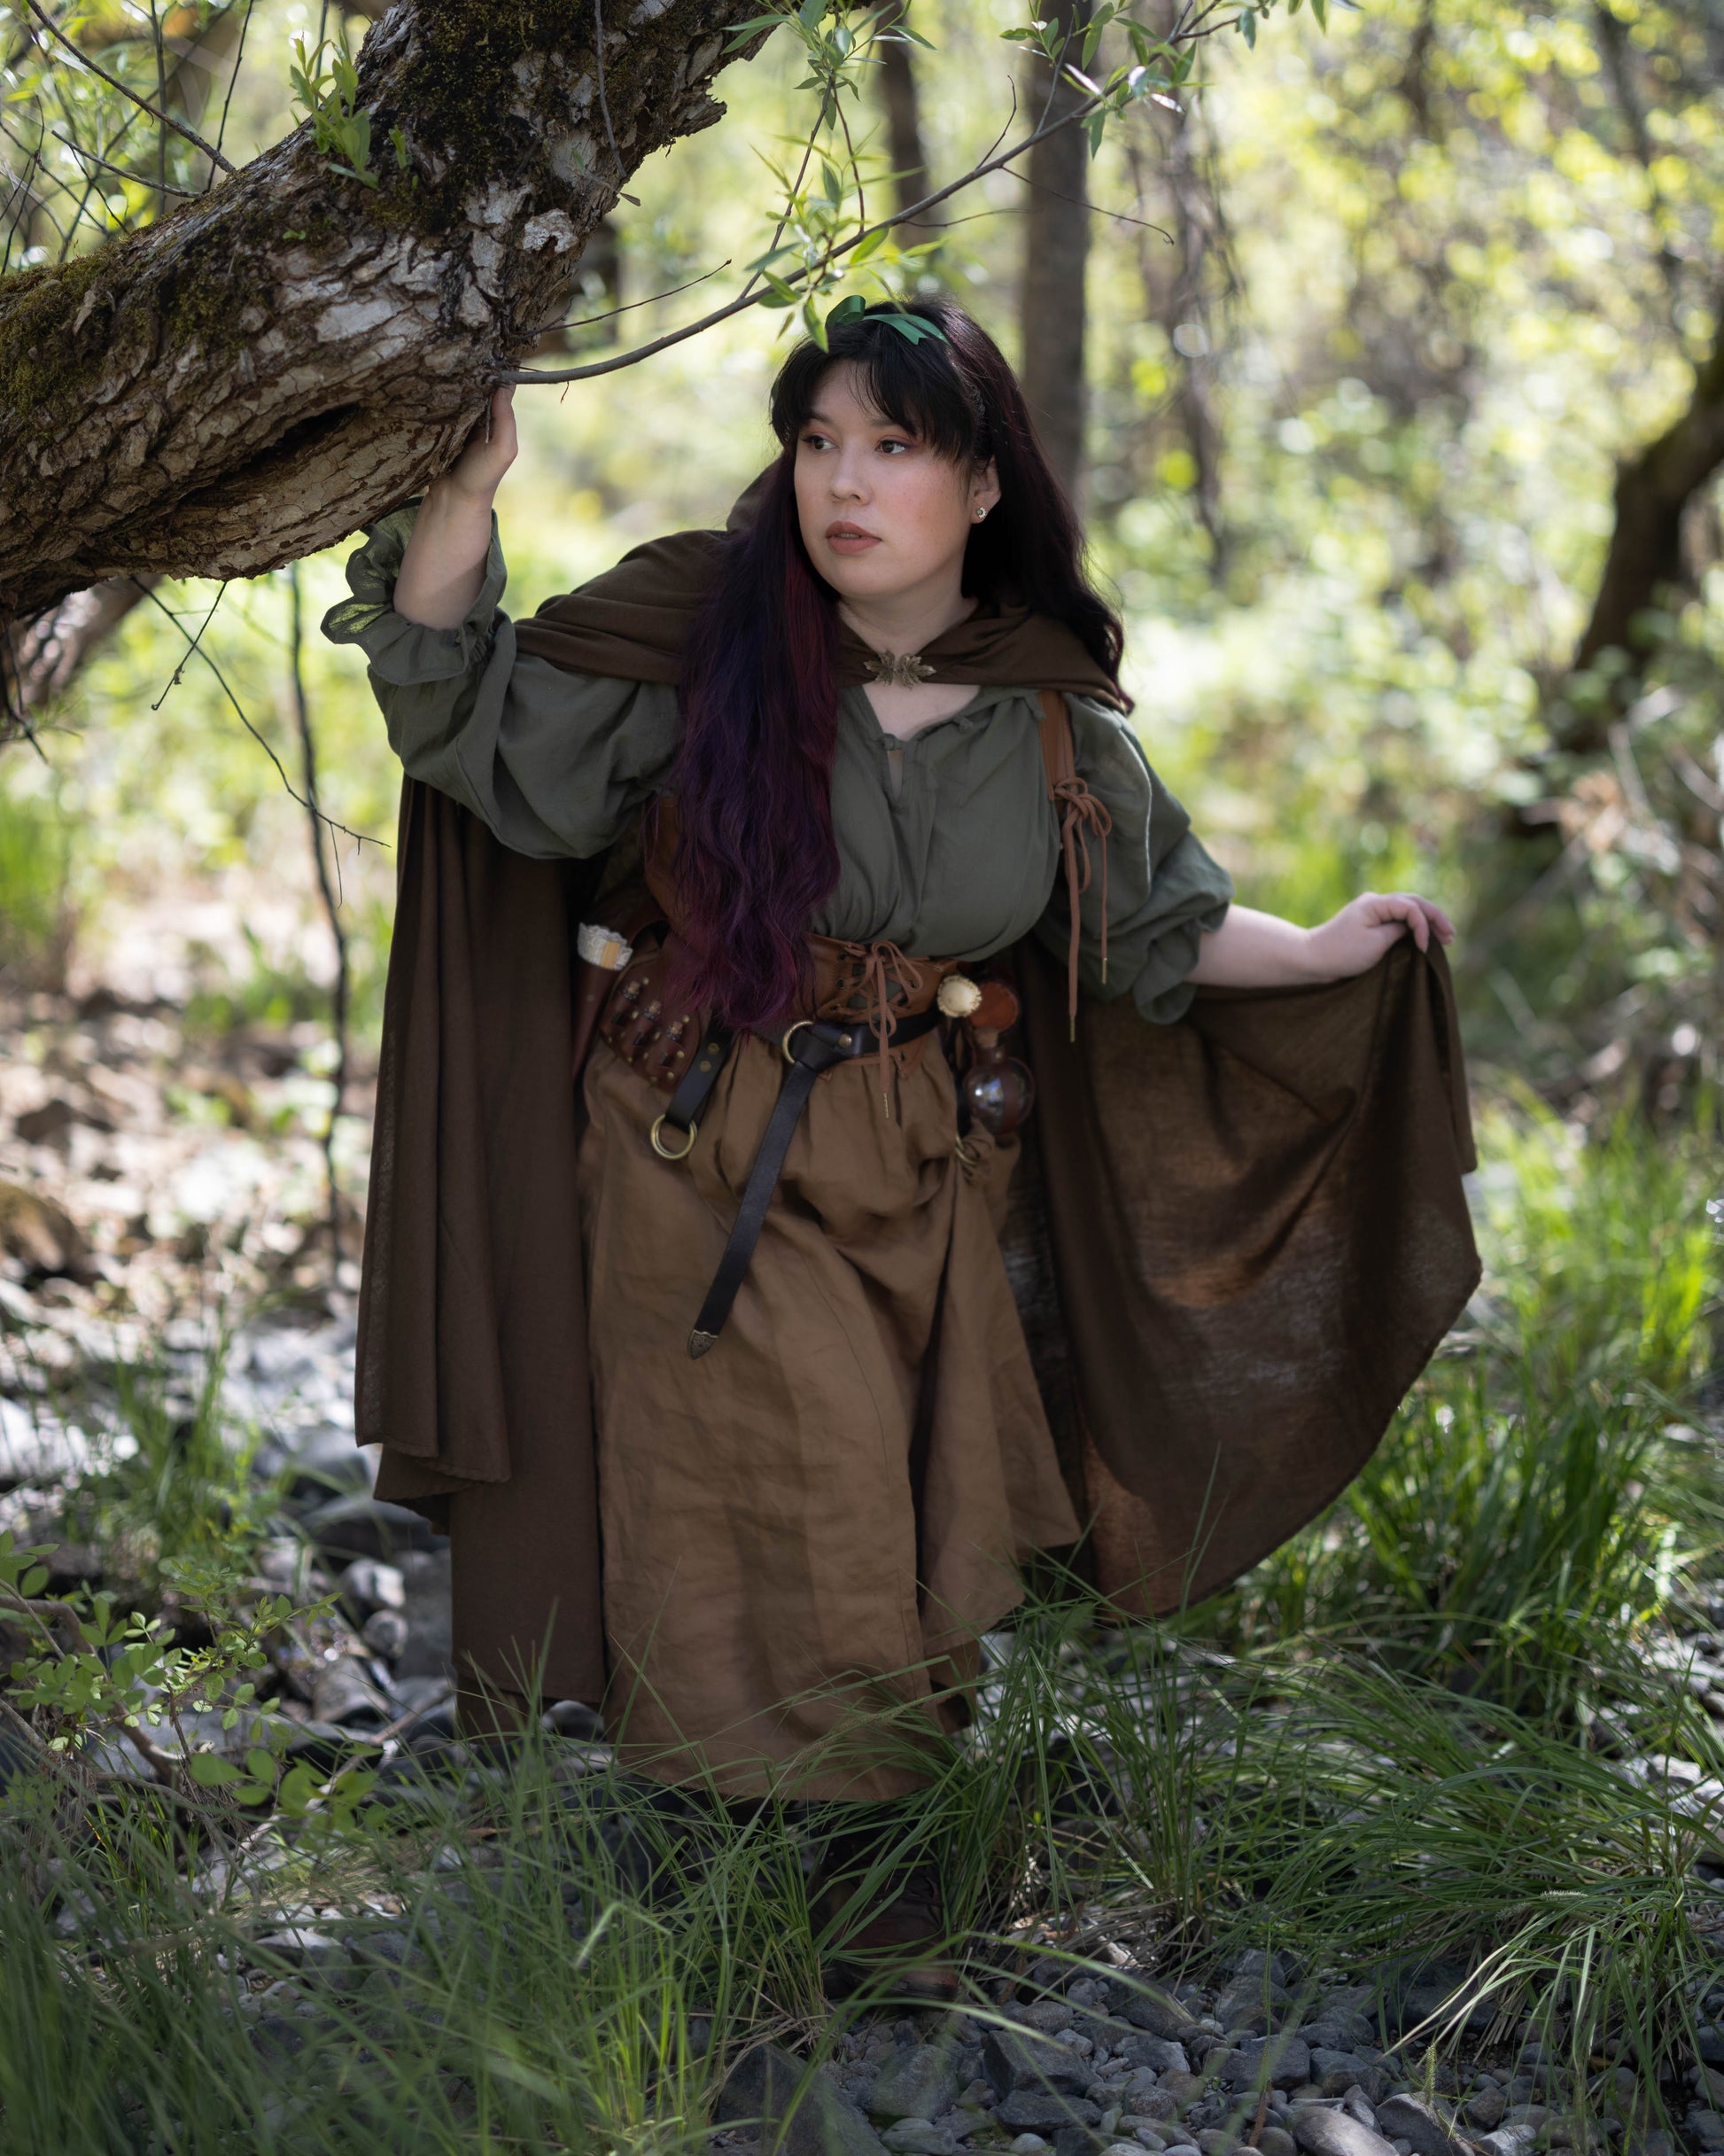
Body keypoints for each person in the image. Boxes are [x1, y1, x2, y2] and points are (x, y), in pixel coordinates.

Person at [324, 297, 1477, 1996]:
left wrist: (1319, 952)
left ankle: (819, 1856)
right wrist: (463, 500)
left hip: (925, 1163)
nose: (843, 484)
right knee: (782, 1482)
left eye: (891, 446)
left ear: (983, 484)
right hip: (694, 1138)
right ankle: (798, 1873)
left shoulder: (1046, 720)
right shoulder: (705, 650)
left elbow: (1152, 922)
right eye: (816, 443)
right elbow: (466, 724)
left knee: (912, 1514)